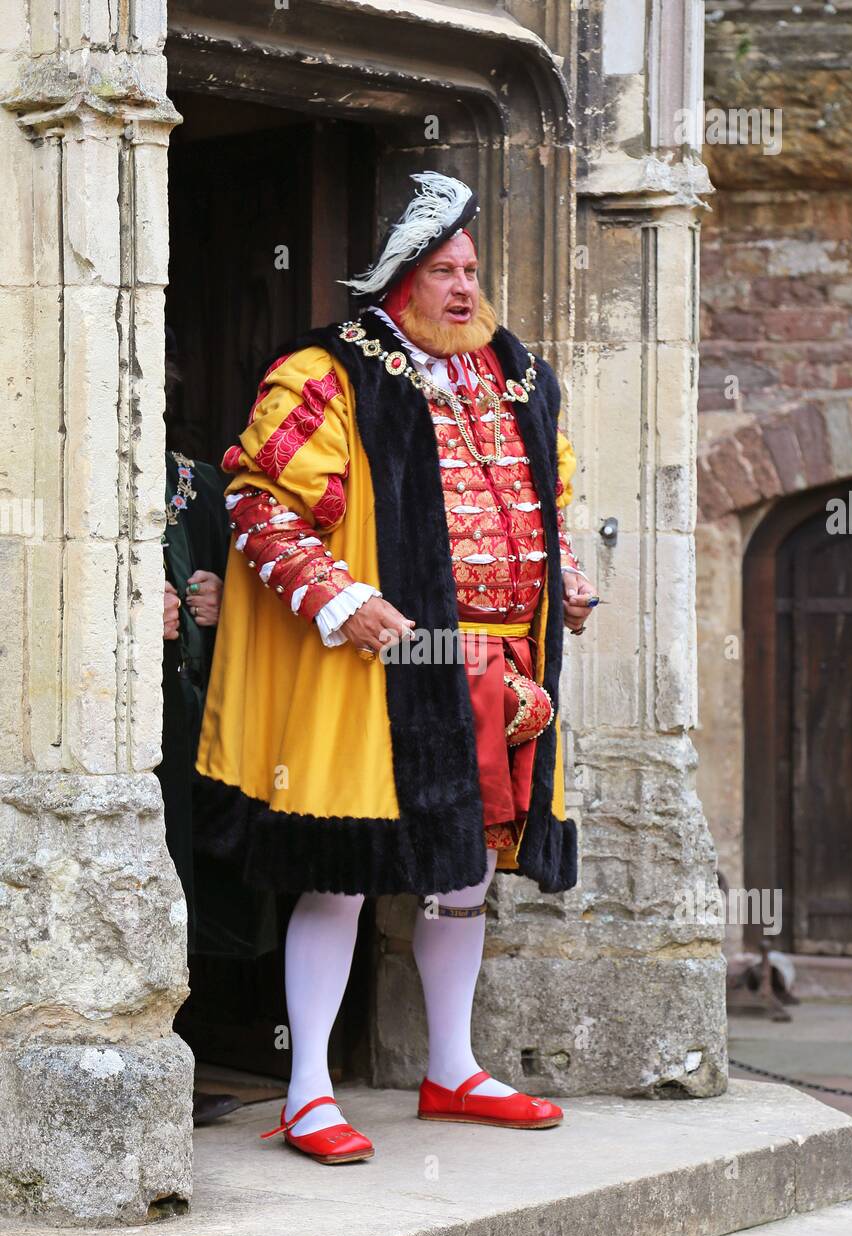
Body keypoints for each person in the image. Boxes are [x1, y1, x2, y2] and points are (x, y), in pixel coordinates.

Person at [194, 172, 598, 1163]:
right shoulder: (329, 371)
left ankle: (451, 1066)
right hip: (385, 662)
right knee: (342, 873)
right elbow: (253, 496)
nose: (464, 287)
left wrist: (568, 574)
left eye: (470, 269)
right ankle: (306, 1091)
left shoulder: (518, 373)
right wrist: (336, 596)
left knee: (464, 871)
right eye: (441, 270)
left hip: (501, 665)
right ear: (397, 280)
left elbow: (548, 498)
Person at [158, 335, 242, 1127]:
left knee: (181, 880)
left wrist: (221, 604)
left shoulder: (196, 488)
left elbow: (265, 597)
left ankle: (169, 1067)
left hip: (183, 723)